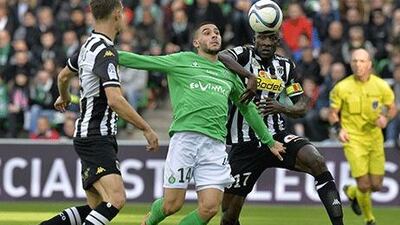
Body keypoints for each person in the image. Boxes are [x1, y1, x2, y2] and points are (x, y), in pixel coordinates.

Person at [118, 22, 285, 225]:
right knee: (172, 205)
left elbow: (247, 108)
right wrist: (108, 54)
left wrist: (269, 140)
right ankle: (150, 220)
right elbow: (142, 61)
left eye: (217, 32)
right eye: (207, 33)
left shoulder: (229, 74)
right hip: (185, 140)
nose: (214, 36)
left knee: (210, 208)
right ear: (197, 42)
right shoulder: (182, 60)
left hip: (215, 146)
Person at [39, 1, 159, 225]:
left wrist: (64, 95)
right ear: (116, 14)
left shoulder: (87, 45)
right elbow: (115, 100)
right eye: (122, 14)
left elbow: (63, 76)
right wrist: (146, 128)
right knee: (116, 199)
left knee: (97, 206)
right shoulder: (105, 51)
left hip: (87, 134)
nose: (123, 17)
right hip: (96, 135)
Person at [217, 30, 344, 225]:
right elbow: (222, 55)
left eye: (272, 39)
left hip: (277, 136)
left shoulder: (286, 66)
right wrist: (249, 77)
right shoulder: (244, 55)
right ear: (255, 39)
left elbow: (302, 104)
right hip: (244, 144)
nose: (267, 43)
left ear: (278, 41)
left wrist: (282, 107)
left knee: (316, 160)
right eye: (262, 38)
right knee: (229, 215)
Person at [329, 48, 396, 225]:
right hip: (353, 139)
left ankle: (351, 192)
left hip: (375, 138)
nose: (358, 65)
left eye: (361, 61)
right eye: (354, 61)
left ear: (370, 64)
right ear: (350, 64)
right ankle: (369, 219)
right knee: (365, 184)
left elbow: (392, 107)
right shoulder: (342, 87)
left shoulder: (381, 85)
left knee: (377, 185)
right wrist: (339, 129)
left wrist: (386, 118)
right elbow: (333, 113)